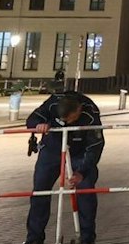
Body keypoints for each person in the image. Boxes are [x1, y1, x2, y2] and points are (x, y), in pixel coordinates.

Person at [24, 91, 104, 244]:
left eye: (70, 119)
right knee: (40, 191)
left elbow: (95, 146)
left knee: (85, 191)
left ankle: (87, 239)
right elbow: (32, 119)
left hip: (80, 152)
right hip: (52, 148)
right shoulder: (53, 102)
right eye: (62, 120)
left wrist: (81, 172)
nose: (66, 122)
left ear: (79, 109)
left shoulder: (91, 114)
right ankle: (34, 239)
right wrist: (39, 125)